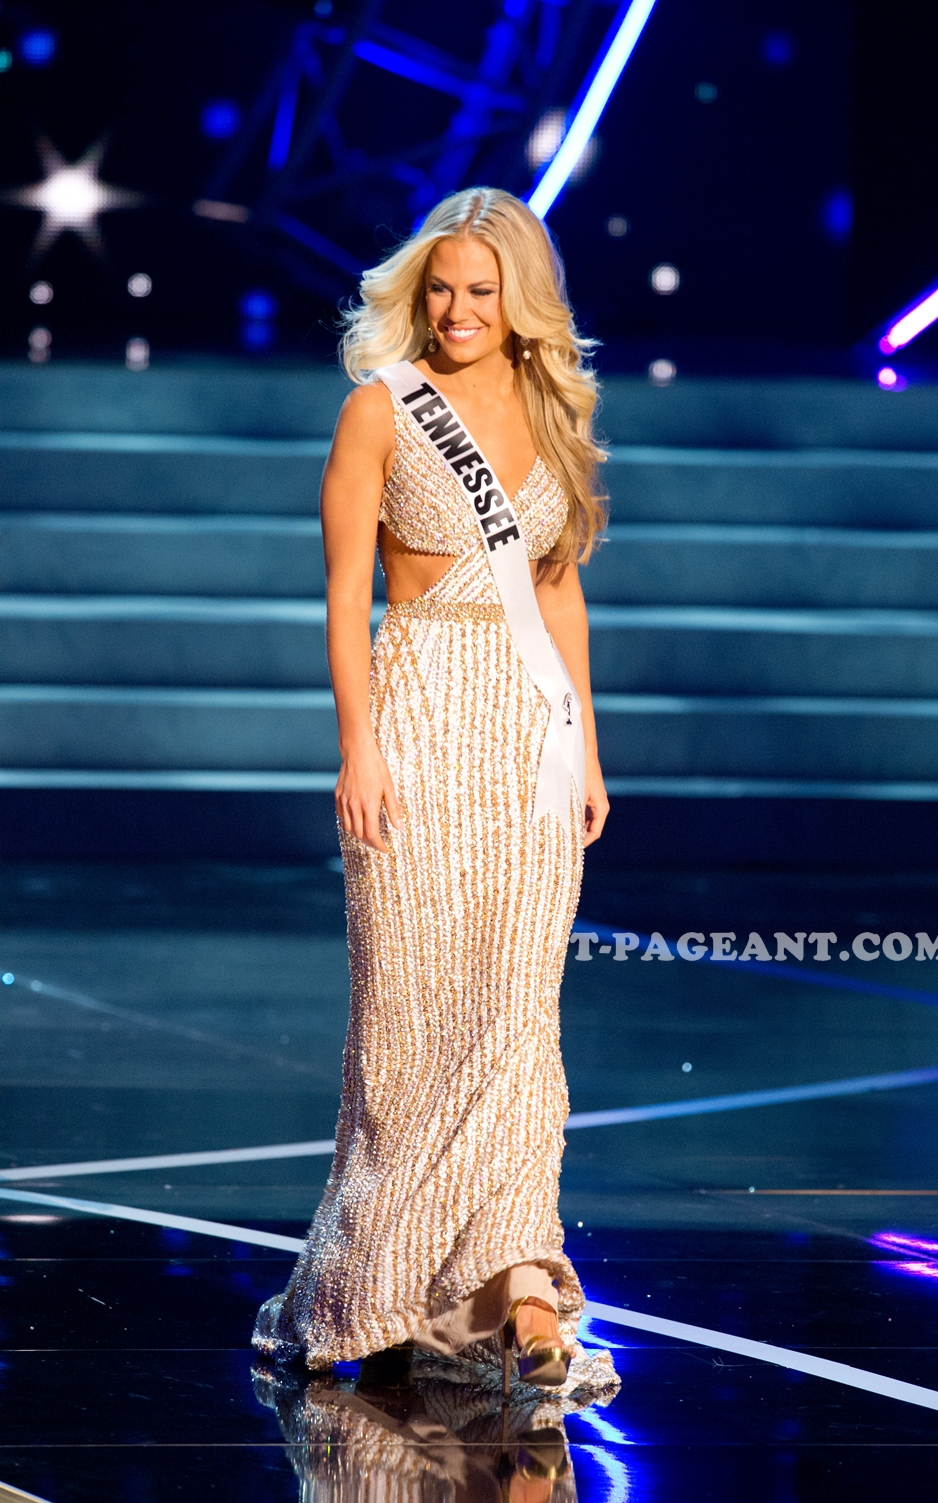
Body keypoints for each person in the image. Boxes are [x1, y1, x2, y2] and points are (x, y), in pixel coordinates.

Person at [254, 186, 616, 1399]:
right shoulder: (381, 410)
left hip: (527, 739)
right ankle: (377, 1281)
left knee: (516, 1021)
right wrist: (357, 748)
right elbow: (343, 597)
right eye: (443, 288)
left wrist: (588, 747)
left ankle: (522, 1293)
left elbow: (557, 591)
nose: (459, 310)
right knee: (409, 1021)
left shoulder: (553, 411)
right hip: (416, 719)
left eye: (482, 291)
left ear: (522, 301)